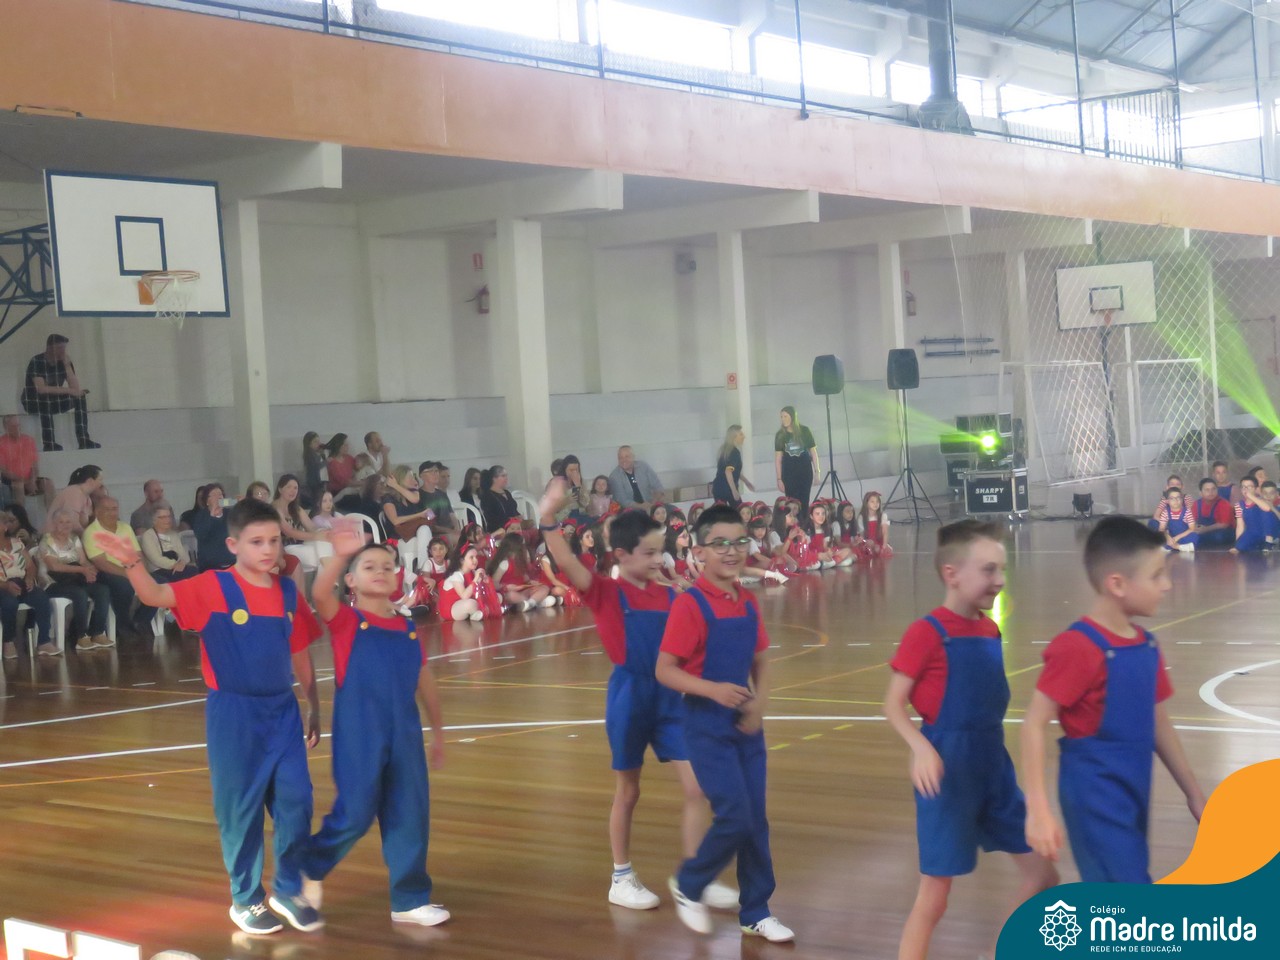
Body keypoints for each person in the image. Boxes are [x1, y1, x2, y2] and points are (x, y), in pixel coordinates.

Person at [92, 499, 324, 934]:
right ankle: (246, 899)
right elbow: (154, 595)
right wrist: (133, 563)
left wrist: (313, 703)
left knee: (297, 802)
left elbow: (299, 650)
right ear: (234, 545)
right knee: (241, 810)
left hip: (283, 712)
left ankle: (289, 888)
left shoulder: (288, 592)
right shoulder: (213, 586)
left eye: (274, 540)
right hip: (234, 715)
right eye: (257, 542)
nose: (268, 549)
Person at [537, 483, 738, 914]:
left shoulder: (668, 595)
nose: (657, 559)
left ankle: (696, 877)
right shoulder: (604, 592)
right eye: (649, 553)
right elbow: (565, 559)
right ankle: (621, 877)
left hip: (670, 697)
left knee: (697, 786)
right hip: (629, 697)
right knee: (628, 791)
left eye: (659, 551)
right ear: (621, 554)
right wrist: (548, 516)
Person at [884, 520, 1057, 960]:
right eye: (988, 570)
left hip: (994, 771)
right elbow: (892, 704)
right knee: (935, 898)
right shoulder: (927, 632)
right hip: (948, 777)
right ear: (952, 574)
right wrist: (920, 747)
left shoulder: (989, 629)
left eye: (1002, 570)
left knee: (1043, 876)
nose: (999, 580)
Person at [1021, 517, 1205, 884]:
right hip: (1093, 797)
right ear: (1117, 584)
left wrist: (1194, 794)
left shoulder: (1146, 645)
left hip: (1134, 790)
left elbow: (1158, 723)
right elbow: (1033, 724)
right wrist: (1038, 810)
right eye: (1156, 576)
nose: (1167, 585)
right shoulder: (1078, 646)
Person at [300, 522, 448, 926]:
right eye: (369, 566)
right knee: (356, 811)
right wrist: (340, 553)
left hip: (405, 732)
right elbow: (319, 594)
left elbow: (424, 679)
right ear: (350, 581)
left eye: (387, 566)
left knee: (410, 811)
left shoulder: (407, 628)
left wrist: (437, 731)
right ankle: (309, 866)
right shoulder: (347, 621)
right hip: (360, 732)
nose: (381, 571)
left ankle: (409, 898)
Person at [655, 505, 791, 943]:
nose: (732, 551)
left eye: (739, 541)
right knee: (734, 816)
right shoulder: (690, 605)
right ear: (699, 552)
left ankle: (756, 910)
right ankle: (690, 882)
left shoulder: (747, 601)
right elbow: (665, 670)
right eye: (720, 544)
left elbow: (761, 659)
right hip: (707, 724)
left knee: (756, 821)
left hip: (747, 723)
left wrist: (760, 703)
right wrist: (712, 690)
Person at [40, 507, 112, 651]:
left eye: (68, 522)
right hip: (53, 582)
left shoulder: (74, 538)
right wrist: (82, 570)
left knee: (102, 590)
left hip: (75, 579)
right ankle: (81, 636)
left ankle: (98, 632)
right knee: (80, 593)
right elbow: (54, 566)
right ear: (54, 524)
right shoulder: (47, 540)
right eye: (61, 522)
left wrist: (90, 571)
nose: (65, 525)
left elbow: (83, 561)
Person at [84, 495, 157, 638]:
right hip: (105, 573)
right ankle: (122, 624)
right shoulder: (91, 532)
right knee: (124, 585)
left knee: (159, 582)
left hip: (130, 569)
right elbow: (101, 563)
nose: (112, 513)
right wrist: (128, 573)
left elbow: (137, 554)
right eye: (107, 509)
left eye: (115, 509)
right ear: (97, 512)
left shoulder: (125, 528)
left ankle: (140, 620)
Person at [20, 333, 99, 452]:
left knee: (80, 398)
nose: (63, 351)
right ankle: (49, 443)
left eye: (64, 347)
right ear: (49, 347)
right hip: (33, 401)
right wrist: (70, 391)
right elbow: (41, 389)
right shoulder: (37, 361)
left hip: (54, 400)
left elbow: (75, 388)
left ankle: (83, 440)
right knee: (45, 399)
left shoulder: (64, 361)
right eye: (59, 347)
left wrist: (67, 366)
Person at [0, 510, 57, 659]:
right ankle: (8, 641)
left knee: (41, 597)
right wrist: (6, 586)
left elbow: (30, 566)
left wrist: (30, 578)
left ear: (5, 527)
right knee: (9, 603)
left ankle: (44, 641)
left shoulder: (16, 543)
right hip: (2, 586)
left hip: (20, 581)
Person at [0, 415, 55, 511]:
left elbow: (35, 467)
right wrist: (25, 481)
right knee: (19, 486)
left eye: (18, 425)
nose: (17, 428)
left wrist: (32, 480)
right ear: (6, 427)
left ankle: (52, 515)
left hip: (29, 478)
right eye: (13, 426)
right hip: (11, 480)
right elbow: (4, 471)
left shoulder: (29, 440)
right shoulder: (1, 443)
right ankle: (20, 517)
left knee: (48, 483)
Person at [774, 407, 818, 515]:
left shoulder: (805, 431)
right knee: (791, 503)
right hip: (789, 474)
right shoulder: (780, 435)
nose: (783, 419)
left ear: (793, 417)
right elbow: (778, 459)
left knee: (804, 501)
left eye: (785, 416)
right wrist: (779, 479)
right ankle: (793, 523)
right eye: (781, 417)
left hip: (805, 472)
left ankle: (804, 522)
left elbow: (813, 452)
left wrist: (817, 471)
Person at [140, 506, 199, 583]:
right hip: (159, 570)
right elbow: (156, 559)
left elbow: (183, 554)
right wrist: (174, 564)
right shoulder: (148, 536)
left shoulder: (174, 534)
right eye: (163, 517)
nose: (167, 520)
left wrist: (182, 563)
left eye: (169, 516)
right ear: (154, 520)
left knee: (195, 571)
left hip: (178, 568)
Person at [45, 464, 104, 534]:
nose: (101, 483)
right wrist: (88, 537)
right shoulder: (74, 493)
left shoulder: (86, 497)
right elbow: (72, 523)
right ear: (90, 481)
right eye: (100, 480)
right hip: (55, 537)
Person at [383, 465, 433, 542]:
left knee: (425, 531)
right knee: (424, 531)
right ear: (401, 479)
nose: (414, 480)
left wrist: (427, 515)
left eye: (413, 477)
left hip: (415, 534)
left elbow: (416, 500)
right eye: (410, 477)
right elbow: (395, 521)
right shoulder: (389, 498)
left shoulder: (410, 497)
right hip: (399, 538)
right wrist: (419, 515)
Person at [192, 484, 235, 571]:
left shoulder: (230, 513)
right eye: (214, 495)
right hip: (210, 566)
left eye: (220, 494)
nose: (218, 497)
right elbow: (200, 535)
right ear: (207, 501)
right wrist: (212, 515)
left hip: (232, 563)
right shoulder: (201, 516)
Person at [608, 446, 666, 511]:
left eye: (627, 456)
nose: (624, 460)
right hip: (629, 510)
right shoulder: (614, 477)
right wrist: (642, 506)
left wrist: (653, 504)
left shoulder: (643, 466)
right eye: (620, 458)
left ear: (633, 457)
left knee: (671, 510)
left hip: (651, 504)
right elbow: (623, 501)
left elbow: (658, 486)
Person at [712, 425, 753, 507]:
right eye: (741, 434)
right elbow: (728, 472)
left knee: (723, 512)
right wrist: (734, 491)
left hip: (718, 487)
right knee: (739, 510)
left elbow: (734, 471)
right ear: (734, 437)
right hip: (727, 489)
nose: (744, 436)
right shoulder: (734, 452)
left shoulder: (725, 450)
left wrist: (746, 482)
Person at [417, 462, 459, 540]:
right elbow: (430, 524)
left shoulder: (442, 494)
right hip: (435, 535)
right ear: (421, 476)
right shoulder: (419, 496)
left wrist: (457, 529)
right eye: (431, 471)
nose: (435, 474)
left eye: (436, 471)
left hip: (451, 532)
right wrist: (451, 531)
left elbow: (452, 515)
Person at [1230, 476, 1268, 553]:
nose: (1246, 489)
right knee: (1242, 545)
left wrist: (1251, 496)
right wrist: (1238, 543)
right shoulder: (1239, 505)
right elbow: (1240, 525)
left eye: (1249, 487)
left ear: (1256, 489)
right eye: (1243, 487)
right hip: (1251, 533)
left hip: (1264, 532)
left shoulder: (1261, 500)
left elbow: (1267, 508)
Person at [1192, 478, 1234, 548]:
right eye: (1207, 490)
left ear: (1217, 490)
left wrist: (1205, 529)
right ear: (1200, 493)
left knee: (1219, 537)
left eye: (1213, 489)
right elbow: (1192, 521)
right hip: (1203, 532)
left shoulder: (1223, 503)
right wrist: (1195, 528)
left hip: (1223, 532)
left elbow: (1224, 524)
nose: (1211, 492)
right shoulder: (1196, 504)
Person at [479, 465, 521, 533]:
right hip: (499, 530)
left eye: (506, 476)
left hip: (514, 526)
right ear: (494, 478)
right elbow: (491, 519)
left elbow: (513, 510)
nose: (506, 478)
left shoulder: (507, 493)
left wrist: (518, 516)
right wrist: (509, 520)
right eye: (503, 476)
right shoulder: (487, 497)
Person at [1156, 487, 1198, 552]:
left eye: (1178, 498)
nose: (1175, 500)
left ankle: (1177, 547)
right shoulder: (1165, 512)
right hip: (1171, 537)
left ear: (1182, 499)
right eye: (1172, 498)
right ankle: (1180, 547)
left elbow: (1192, 529)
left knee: (1195, 536)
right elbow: (1161, 529)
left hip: (1183, 537)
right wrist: (1168, 537)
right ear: (1167, 501)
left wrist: (1177, 538)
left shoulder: (1187, 512)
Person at [301, 432, 327, 507]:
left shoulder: (315, 453)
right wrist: (326, 461)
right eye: (315, 442)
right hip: (314, 482)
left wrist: (322, 454)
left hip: (317, 481)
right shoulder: (309, 454)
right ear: (309, 443)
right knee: (316, 500)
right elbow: (317, 466)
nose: (318, 444)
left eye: (319, 441)